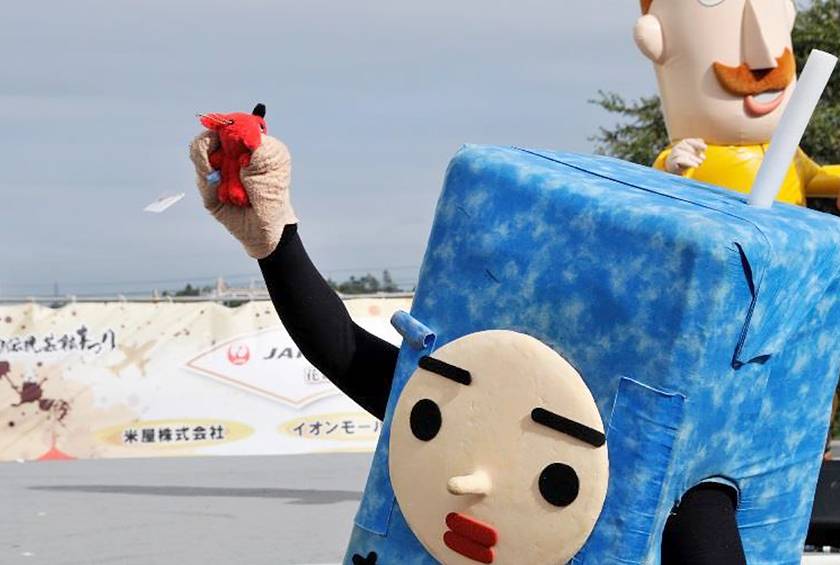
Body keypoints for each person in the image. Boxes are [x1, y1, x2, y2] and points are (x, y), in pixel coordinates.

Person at [190, 124, 748, 564]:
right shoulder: (469, 395)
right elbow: (343, 350)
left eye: (555, 483)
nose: (466, 483)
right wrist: (275, 239)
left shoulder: (669, 474)